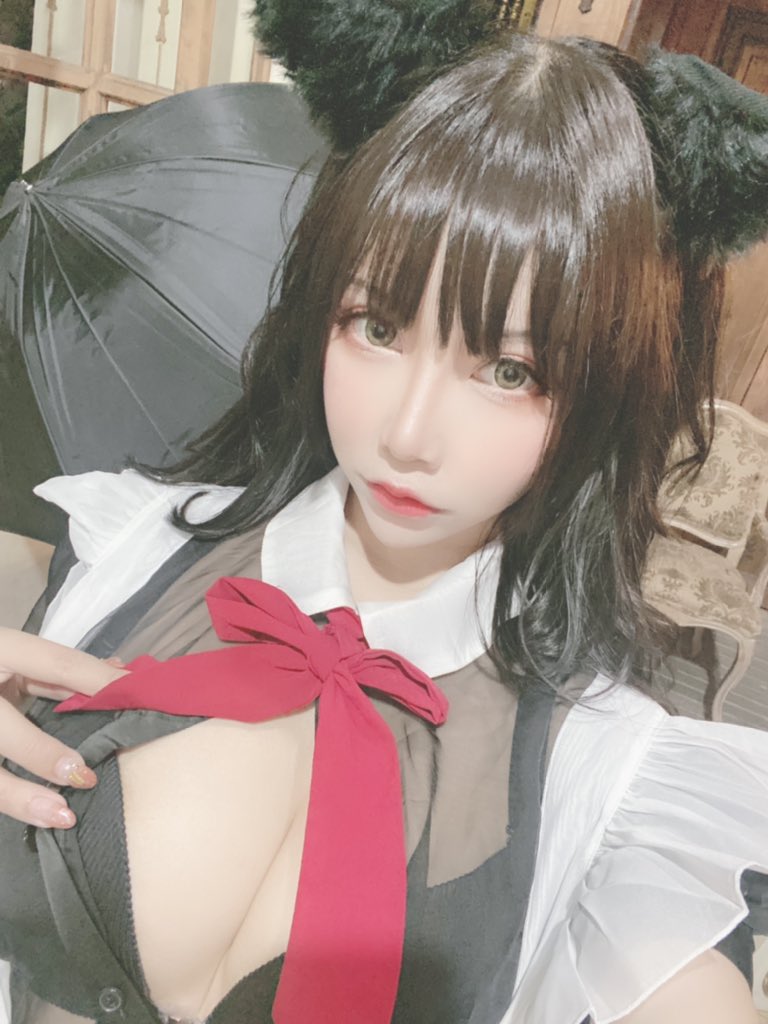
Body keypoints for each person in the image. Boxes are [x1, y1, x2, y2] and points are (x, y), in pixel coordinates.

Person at [0, 28, 767, 1024]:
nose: (407, 435)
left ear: (606, 397)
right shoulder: (130, 543)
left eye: (510, 371)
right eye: (377, 326)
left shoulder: (605, 780)